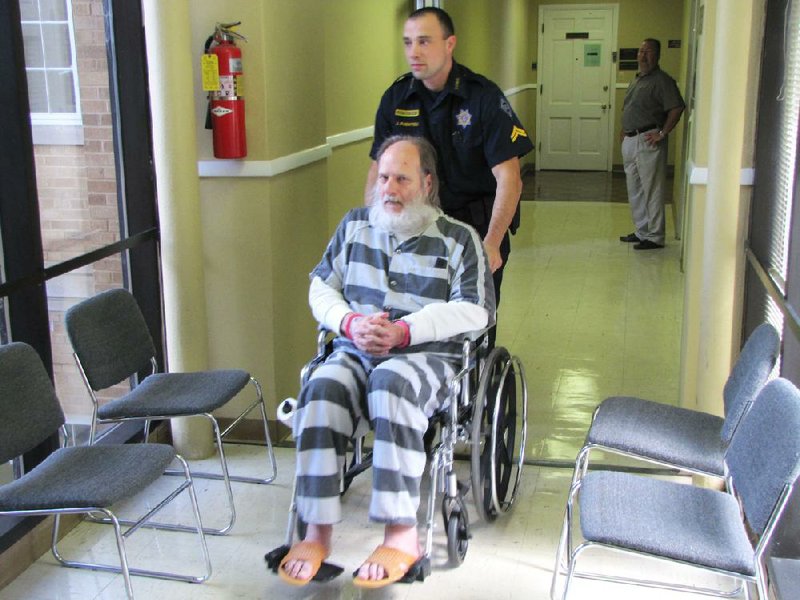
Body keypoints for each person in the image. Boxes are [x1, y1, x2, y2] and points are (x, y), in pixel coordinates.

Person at [279, 135, 495, 588]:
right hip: (355, 348)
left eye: (402, 178)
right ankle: (316, 531)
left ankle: (401, 536)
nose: (389, 188)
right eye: (383, 177)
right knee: (321, 387)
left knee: (393, 382)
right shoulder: (355, 226)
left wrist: (407, 330)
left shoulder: (459, 239)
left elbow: (476, 311)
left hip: (425, 356)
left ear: (427, 182)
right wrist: (350, 322)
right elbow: (321, 287)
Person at [365, 7, 532, 323]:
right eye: (408, 42)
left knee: (472, 325)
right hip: (417, 226)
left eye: (424, 41)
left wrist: (492, 244)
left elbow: (509, 177)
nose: (414, 52)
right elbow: (378, 171)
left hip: (475, 228)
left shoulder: (482, 97)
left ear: (449, 44)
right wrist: (376, 232)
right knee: (417, 321)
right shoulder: (396, 98)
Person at [619, 38, 685, 250]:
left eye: (648, 52)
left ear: (657, 56)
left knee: (652, 189)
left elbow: (676, 107)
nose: (643, 55)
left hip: (648, 140)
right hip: (630, 139)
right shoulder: (637, 79)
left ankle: (655, 236)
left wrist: (663, 133)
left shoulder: (662, 80)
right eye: (641, 51)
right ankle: (642, 230)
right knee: (635, 189)